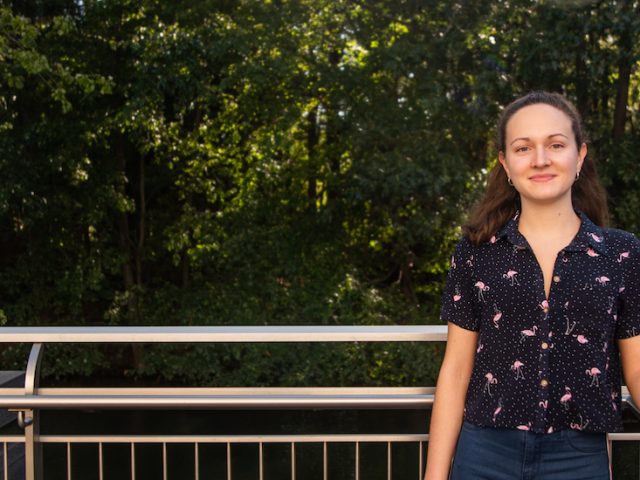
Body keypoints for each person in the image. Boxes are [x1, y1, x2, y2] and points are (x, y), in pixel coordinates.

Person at [424, 91, 640, 480]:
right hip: (483, 454)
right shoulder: (475, 254)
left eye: (556, 145)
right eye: (524, 148)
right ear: (506, 164)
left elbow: (637, 369)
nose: (541, 159)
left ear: (580, 155)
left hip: (578, 457)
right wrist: (434, 477)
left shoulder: (622, 254)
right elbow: (456, 371)